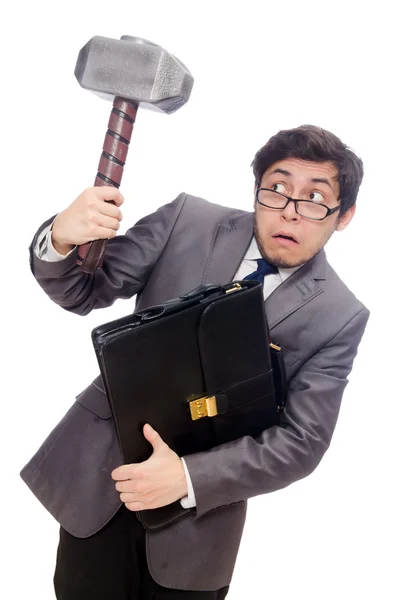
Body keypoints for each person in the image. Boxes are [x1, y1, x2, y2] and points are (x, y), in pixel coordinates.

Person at [21, 124, 369, 599]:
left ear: (343, 215)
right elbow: (83, 291)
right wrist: (61, 237)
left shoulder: (339, 316)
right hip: (100, 483)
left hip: (198, 528)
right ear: (257, 190)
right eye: (278, 190)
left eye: (314, 199)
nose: (289, 212)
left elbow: (302, 442)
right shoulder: (187, 220)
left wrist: (186, 478)